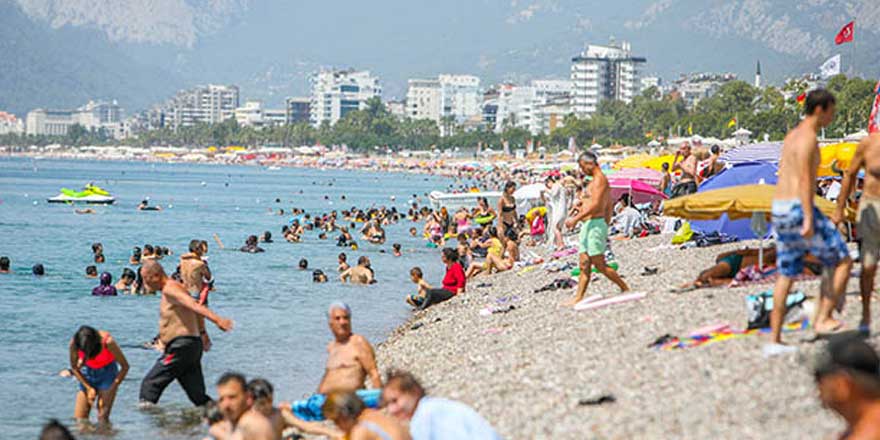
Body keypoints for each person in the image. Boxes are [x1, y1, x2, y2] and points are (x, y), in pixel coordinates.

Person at [771, 89, 852, 344]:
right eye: (832, 111)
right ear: (820, 109)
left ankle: (775, 340)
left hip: (780, 207)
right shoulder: (808, 138)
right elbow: (807, 179)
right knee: (842, 260)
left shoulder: (791, 136)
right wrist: (808, 216)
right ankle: (823, 318)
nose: (832, 116)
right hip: (798, 207)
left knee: (787, 272)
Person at [138, 260, 234, 407]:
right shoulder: (172, 289)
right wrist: (202, 333)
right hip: (190, 346)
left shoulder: (171, 289)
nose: (145, 284)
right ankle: (222, 416)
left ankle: (146, 428)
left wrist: (218, 320)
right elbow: (194, 310)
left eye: (146, 279)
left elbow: (194, 305)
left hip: (181, 347)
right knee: (198, 397)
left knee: (150, 386)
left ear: (156, 275)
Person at [563, 151, 630, 307]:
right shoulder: (593, 181)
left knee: (599, 264)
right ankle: (578, 297)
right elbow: (595, 203)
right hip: (589, 225)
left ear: (589, 164)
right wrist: (580, 206)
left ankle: (624, 287)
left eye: (582, 166)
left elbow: (596, 206)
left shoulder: (600, 180)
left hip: (595, 225)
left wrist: (575, 219)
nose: (581, 170)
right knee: (584, 264)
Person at [835, 131, 880, 332]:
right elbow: (850, 174)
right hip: (871, 205)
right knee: (869, 265)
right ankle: (866, 313)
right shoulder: (868, 144)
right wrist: (839, 209)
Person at [381, 370, 500, 440]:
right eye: (388, 404)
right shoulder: (436, 406)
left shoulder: (423, 417)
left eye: (395, 401)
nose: (391, 410)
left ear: (414, 392)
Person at [814, 336, 880, 440]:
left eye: (819, 378)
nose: (818, 389)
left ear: (843, 384)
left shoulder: (870, 432)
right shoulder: (863, 424)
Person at [68, 326, 129, 424]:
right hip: (87, 373)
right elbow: (74, 368)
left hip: (107, 374)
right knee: (80, 420)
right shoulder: (75, 344)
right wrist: (88, 388)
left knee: (102, 418)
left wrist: (112, 388)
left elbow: (125, 367)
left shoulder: (108, 342)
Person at [247, 378, 343, 440]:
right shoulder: (245, 418)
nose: (268, 406)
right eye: (262, 403)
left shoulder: (279, 414)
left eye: (270, 401)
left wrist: (332, 432)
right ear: (250, 401)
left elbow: (306, 427)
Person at [318, 302, 382, 394]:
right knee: (290, 407)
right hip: (325, 401)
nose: (342, 322)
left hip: (351, 401)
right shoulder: (332, 347)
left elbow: (374, 374)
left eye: (346, 318)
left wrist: (379, 403)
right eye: (337, 318)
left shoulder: (358, 342)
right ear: (330, 323)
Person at [323, 391, 411, 440]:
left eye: (336, 421)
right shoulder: (376, 414)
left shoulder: (360, 430)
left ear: (343, 416)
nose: (337, 426)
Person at [213, 373, 274, 440]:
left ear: (248, 397)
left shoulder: (255, 425)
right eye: (221, 399)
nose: (226, 405)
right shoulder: (229, 425)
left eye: (232, 397)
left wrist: (218, 433)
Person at [544, 175, 568, 250]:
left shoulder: (556, 185)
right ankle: (558, 243)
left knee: (555, 227)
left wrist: (546, 190)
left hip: (559, 209)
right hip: (562, 209)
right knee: (558, 227)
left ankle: (561, 244)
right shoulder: (560, 186)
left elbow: (553, 194)